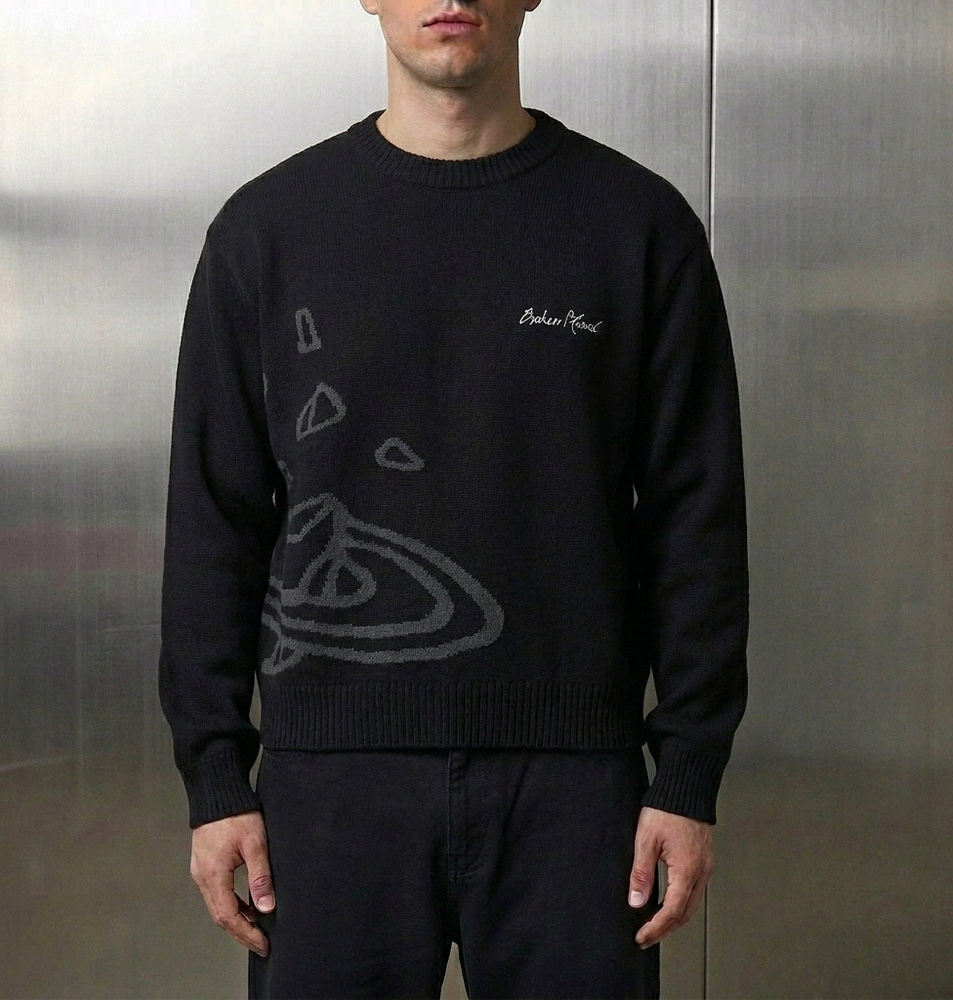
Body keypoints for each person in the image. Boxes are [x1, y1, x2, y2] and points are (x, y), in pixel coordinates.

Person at [159, 1, 748, 997]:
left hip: (578, 790)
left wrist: (688, 769)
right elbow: (215, 519)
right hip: (327, 786)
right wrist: (214, 774)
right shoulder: (267, 231)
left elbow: (697, 519)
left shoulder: (638, 226)